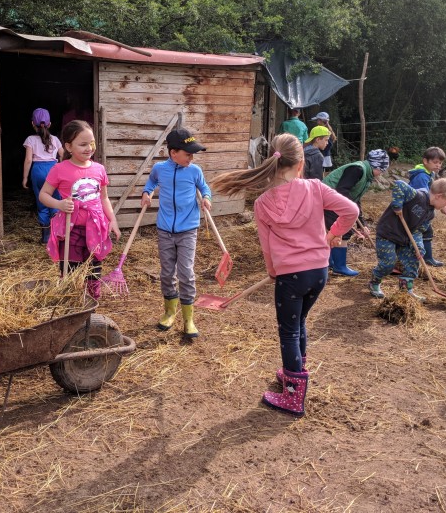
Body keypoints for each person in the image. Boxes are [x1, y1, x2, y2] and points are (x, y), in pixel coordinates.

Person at [211, 133, 358, 417]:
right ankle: (295, 369)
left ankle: (293, 396)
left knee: (289, 331)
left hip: (291, 277)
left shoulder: (262, 203)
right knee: (299, 322)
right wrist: (332, 235)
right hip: (319, 272)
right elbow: (351, 210)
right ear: (301, 164)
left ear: (273, 162)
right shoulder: (315, 187)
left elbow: (267, 247)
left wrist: (272, 270)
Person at [141, 128, 212, 338]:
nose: (191, 158)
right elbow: (151, 182)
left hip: (188, 229)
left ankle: (189, 319)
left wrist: (206, 198)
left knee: (186, 273)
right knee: (166, 272)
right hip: (165, 229)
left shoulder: (194, 171)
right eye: (188, 154)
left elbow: (204, 187)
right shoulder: (159, 169)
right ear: (173, 153)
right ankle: (169, 313)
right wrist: (146, 192)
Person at [39, 120, 121, 299]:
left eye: (91, 143)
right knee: (71, 267)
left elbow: (103, 197)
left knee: (94, 267)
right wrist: (59, 204)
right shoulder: (59, 169)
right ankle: (71, 301)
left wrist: (112, 220)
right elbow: (43, 195)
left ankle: (92, 301)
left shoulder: (99, 169)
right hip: (72, 229)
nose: (89, 148)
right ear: (68, 146)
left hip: (96, 228)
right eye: (83, 144)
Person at [368, 178, 446, 301]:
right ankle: (375, 281)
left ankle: (406, 291)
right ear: (439, 196)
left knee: (412, 262)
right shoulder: (418, 196)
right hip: (388, 233)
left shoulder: (430, 214)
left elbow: (418, 231)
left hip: (404, 239)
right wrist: (397, 205)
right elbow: (399, 184)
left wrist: (419, 247)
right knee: (388, 263)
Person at [321, 149, 391, 276]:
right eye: (382, 170)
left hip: (335, 200)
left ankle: (330, 262)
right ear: (376, 166)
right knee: (343, 230)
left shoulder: (366, 175)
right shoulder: (357, 169)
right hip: (327, 199)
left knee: (336, 229)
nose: (381, 173)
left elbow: (355, 199)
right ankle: (339, 267)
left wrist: (361, 224)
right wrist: (350, 209)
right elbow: (342, 190)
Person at [22, 108, 64, 244]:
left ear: (32, 124)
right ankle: (56, 234)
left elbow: (28, 160)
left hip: (38, 171)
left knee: (42, 201)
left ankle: (45, 237)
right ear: (49, 124)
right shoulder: (55, 139)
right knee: (55, 200)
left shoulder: (30, 140)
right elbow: (63, 155)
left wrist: (25, 178)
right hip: (54, 170)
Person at [407, 146, 446, 266]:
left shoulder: (429, 174)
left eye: (440, 163)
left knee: (427, 231)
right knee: (421, 232)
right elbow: (423, 198)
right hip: (416, 211)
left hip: (422, 210)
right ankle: (422, 258)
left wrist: (442, 206)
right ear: (425, 161)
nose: (438, 165)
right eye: (435, 162)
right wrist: (437, 206)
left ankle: (427, 257)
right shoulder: (421, 176)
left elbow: (433, 193)